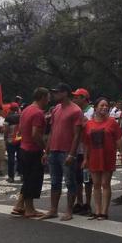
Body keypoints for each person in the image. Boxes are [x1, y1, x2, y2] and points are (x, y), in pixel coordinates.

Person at [40, 83, 84, 221]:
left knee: (70, 181)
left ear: (65, 93)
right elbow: (52, 131)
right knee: (54, 181)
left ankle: (69, 210)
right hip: (54, 149)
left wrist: (72, 154)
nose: (54, 94)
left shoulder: (76, 110)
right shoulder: (56, 109)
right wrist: (46, 151)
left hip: (66, 151)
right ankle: (53, 209)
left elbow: (77, 135)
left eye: (57, 92)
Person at [11, 88, 50, 217]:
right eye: (48, 97)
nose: (49, 100)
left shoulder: (26, 110)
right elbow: (35, 134)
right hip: (33, 150)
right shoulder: (38, 113)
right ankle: (30, 209)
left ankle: (19, 205)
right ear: (43, 97)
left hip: (23, 148)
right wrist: (44, 148)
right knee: (33, 179)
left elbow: (22, 129)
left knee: (27, 178)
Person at [82, 97, 122, 220]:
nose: (104, 107)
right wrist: (85, 158)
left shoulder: (112, 122)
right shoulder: (88, 124)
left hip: (107, 157)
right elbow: (86, 143)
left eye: (106, 106)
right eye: (101, 105)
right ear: (95, 107)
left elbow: (118, 140)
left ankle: (104, 212)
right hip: (93, 157)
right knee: (96, 185)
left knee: (106, 184)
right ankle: (97, 210)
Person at [72, 88, 94, 215]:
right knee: (77, 178)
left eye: (76, 97)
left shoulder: (91, 112)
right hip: (76, 150)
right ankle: (79, 202)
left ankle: (88, 203)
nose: (74, 99)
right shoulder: (75, 111)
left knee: (87, 179)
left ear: (83, 98)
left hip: (87, 151)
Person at [4, 102, 22, 183]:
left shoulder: (8, 118)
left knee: (11, 158)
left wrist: (5, 139)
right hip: (20, 140)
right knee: (20, 157)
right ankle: (22, 174)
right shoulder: (21, 117)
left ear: (10, 109)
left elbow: (6, 130)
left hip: (10, 141)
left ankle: (11, 177)